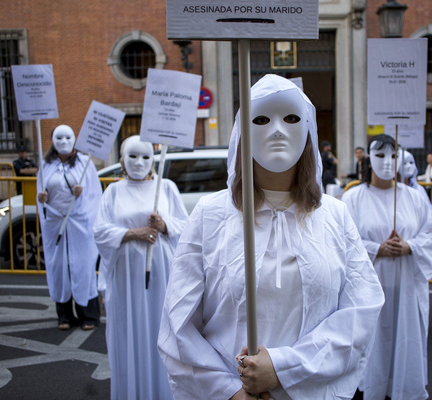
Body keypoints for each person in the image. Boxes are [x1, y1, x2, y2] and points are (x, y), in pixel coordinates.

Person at [158, 74, 385, 400]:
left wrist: (281, 369)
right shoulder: (210, 215)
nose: (277, 130)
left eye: (291, 118)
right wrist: (230, 392)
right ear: (243, 131)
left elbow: (360, 313)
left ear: (307, 128)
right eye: (261, 119)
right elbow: (178, 324)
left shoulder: (335, 215)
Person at [342, 134, 432, 400]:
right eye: (381, 155)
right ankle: (371, 387)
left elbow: (431, 234)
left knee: (404, 339)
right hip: (370, 289)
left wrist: (410, 246)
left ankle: (403, 387)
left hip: (406, 287)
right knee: (373, 342)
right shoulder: (353, 199)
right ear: (369, 159)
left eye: (393, 155)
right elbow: (343, 241)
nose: (387, 162)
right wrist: (377, 249)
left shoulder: (415, 198)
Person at [94, 135, 188, 400]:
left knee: (161, 331)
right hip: (126, 275)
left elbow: (187, 228)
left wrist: (164, 225)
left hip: (161, 273)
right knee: (129, 332)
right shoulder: (113, 190)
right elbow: (100, 230)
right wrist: (133, 233)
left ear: (154, 159)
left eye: (146, 156)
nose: (139, 162)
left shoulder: (166, 188)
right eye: (132, 156)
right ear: (122, 159)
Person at [37, 124, 101, 331]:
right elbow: (42, 193)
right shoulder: (45, 164)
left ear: (74, 139)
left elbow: (94, 195)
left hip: (80, 223)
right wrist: (43, 198)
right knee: (59, 267)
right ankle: (64, 314)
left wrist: (82, 193)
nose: (64, 142)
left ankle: (88, 314)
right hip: (55, 224)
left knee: (83, 266)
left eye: (68, 138)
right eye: (59, 138)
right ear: (52, 140)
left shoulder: (84, 163)